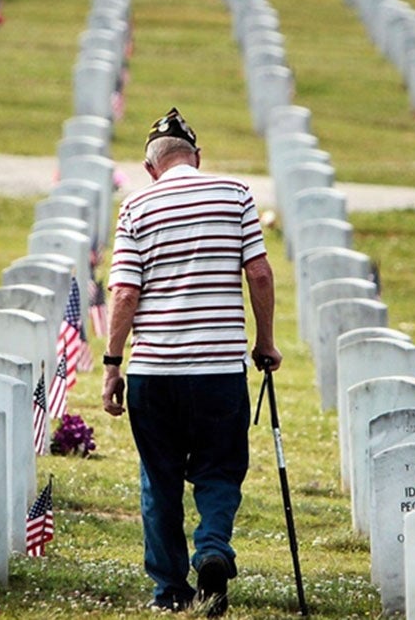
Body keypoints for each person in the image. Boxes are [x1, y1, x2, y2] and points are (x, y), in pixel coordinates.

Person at [102, 107, 283, 616]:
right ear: (197, 158)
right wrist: (264, 343)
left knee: (158, 479)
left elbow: (123, 293)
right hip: (218, 369)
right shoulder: (236, 195)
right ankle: (212, 549)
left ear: (150, 166)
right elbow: (261, 274)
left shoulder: (136, 206)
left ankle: (170, 592)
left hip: (155, 372)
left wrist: (113, 364)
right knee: (220, 470)